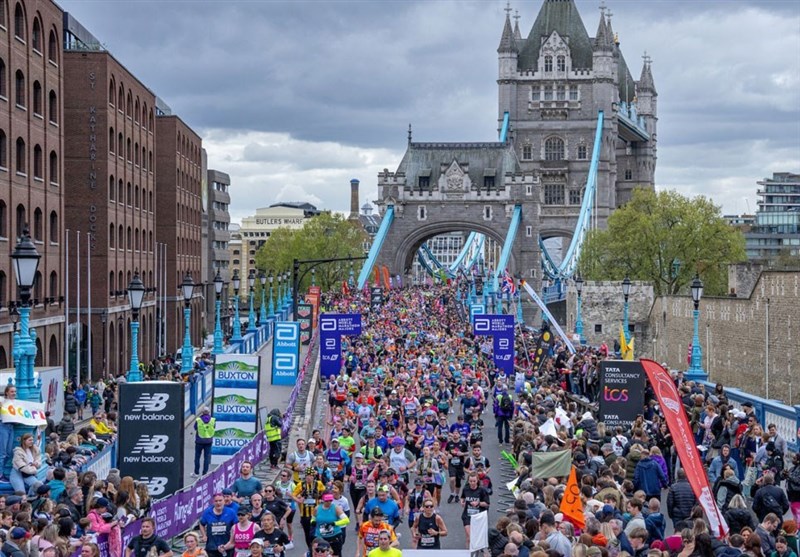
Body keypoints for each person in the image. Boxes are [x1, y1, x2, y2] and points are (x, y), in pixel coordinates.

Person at [313, 491, 349, 556]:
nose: (329, 502)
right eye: (327, 501)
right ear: (323, 499)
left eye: (330, 500)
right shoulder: (317, 508)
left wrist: (334, 523)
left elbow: (346, 520)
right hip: (320, 537)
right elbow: (313, 518)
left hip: (334, 536)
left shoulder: (336, 508)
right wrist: (313, 522)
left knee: (335, 555)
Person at [461, 472, 490, 548]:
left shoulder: (482, 490)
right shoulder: (465, 489)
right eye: (470, 481)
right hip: (467, 515)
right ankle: (468, 552)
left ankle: (476, 550)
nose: (472, 483)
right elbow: (462, 497)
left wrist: (478, 503)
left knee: (475, 538)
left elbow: (487, 503)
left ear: (477, 480)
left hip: (478, 516)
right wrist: (462, 502)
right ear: (468, 481)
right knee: (470, 536)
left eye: (474, 481)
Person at [0, 385, 17, 481]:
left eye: (15, 391)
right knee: (2, 453)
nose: (14, 393)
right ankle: (0, 474)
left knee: (9, 453)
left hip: (11, 427)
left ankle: (1, 472)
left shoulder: (16, 403)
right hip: (3, 426)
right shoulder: (2, 401)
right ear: (7, 392)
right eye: (12, 391)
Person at [193, 407, 216, 478]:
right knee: (206, 458)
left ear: (202, 412)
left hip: (199, 441)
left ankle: (196, 473)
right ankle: (205, 473)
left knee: (197, 457)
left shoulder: (198, 420)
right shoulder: (212, 420)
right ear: (209, 412)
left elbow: (195, 428)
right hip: (208, 442)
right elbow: (214, 428)